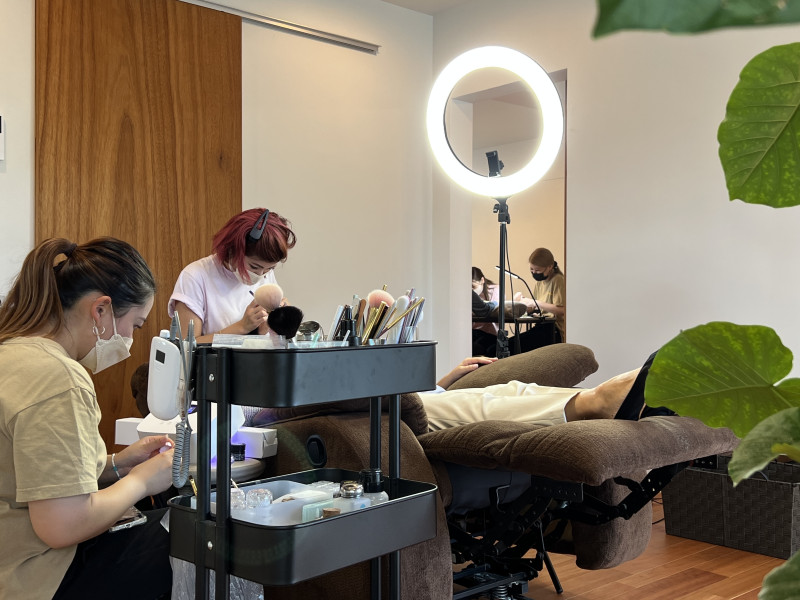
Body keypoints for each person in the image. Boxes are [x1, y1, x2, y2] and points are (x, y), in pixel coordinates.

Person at [0, 237, 175, 600]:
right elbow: (62, 525)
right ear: (101, 310)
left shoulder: (12, 353)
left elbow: (34, 475)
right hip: (33, 577)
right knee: (195, 537)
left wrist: (119, 465)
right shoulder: (58, 378)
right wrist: (144, 480)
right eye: (135, 325)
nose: (129, 340)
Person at [420, 354, 651, 432]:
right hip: (406, 410)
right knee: (480, 407)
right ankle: (599, 403)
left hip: (426, 394)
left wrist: (446, 380)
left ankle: (602, 396)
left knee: (514, 389)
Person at [169, 208, 297, 344]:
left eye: (270, 268)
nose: (260, 275)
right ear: (232, 249)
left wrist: (275, 324)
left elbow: (264, 338)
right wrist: (242, 327)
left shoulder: (265, 273)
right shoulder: (195, 276)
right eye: (254, 267)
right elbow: (187, 345)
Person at [512, 248, 566, 351]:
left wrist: (535, 302)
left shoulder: (558, 280)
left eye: (537, 270)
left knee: (512, 347)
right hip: (541, 326)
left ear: (550, 267)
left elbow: (562, 310)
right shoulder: (540, 283)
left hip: (554, 330)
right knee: (504, 345)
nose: (534, 272)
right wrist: (522, 303)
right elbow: (536, 307)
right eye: (531, 269)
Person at [471, 267, 500, 357]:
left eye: (473, 287)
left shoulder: (494, 290)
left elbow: (488, 309)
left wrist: (495, 303)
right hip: (473, 331)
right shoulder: (467, 292)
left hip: (489, 332)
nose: (472, 291)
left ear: (482, 280)